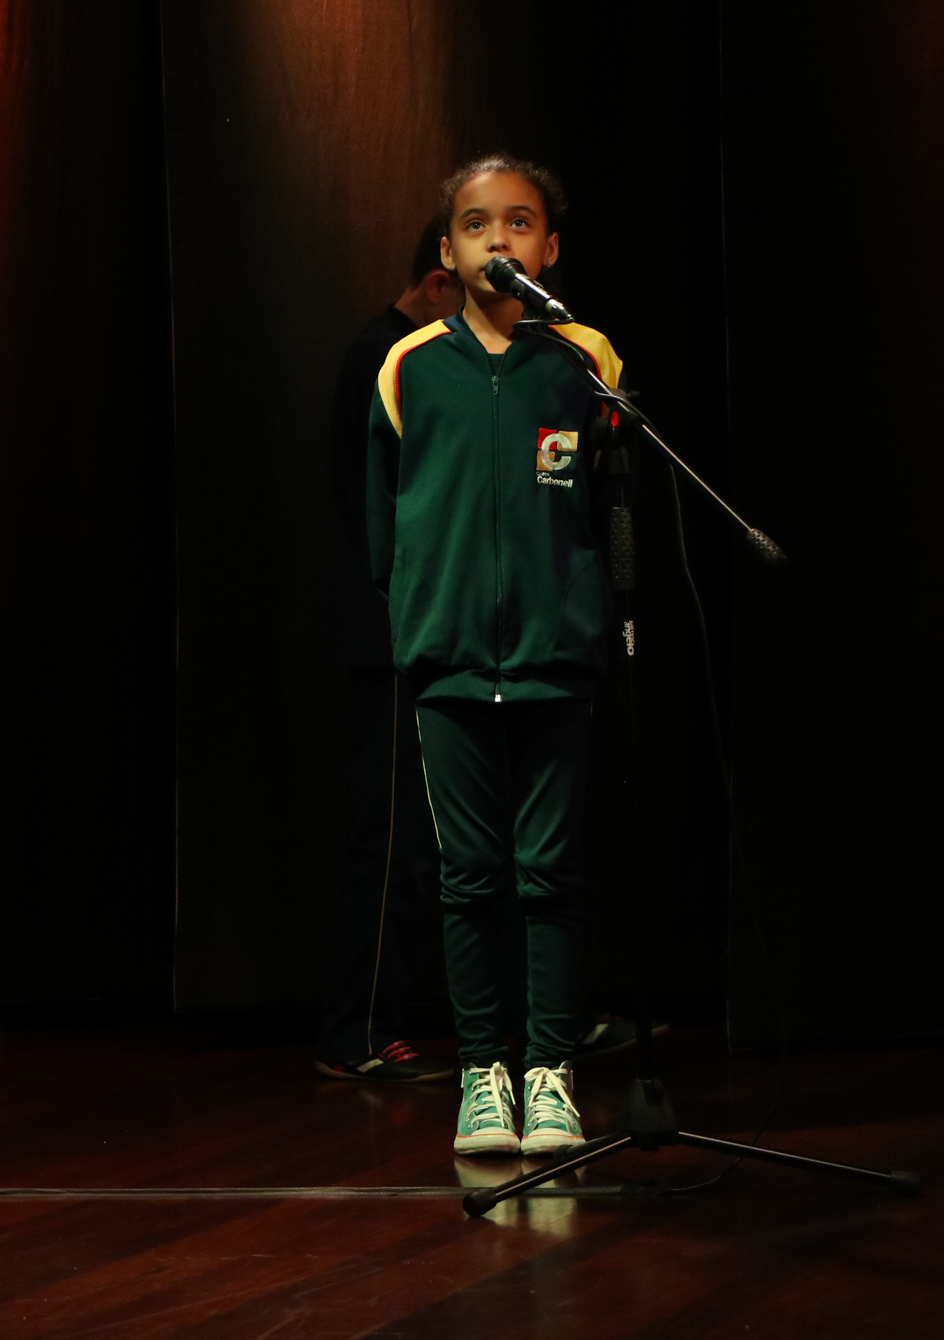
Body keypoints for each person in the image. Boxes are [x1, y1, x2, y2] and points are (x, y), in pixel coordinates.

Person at [366, 154, 629, 1154]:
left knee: (548, 872)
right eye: (476, 225)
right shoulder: (409, 366)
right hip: (449, 659)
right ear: (447, 249)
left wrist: (589, 614)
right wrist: (420, 621)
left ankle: (550, 1070)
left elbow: (608, 501)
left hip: (556, 654)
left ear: (548, 247)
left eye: (518, 223)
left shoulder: (583, 359)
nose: (498, 240)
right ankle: (484, 1072)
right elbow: (381, 519)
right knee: (470, 875)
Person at [315, 220, 466, 1084]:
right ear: (439, 281)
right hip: (395, 635)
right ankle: (358, 1030)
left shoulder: (406, 356)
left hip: (427, 632)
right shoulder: (390, 358)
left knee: (435, 840)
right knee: (397, 839)